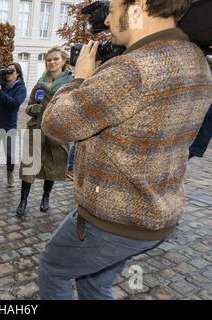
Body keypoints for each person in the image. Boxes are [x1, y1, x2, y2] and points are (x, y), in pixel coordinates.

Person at [39, 0, 212, 300]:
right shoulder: (196, 59)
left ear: (139, 5)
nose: (107, 20)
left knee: (53, 269)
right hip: (157, 213)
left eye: (113, 8)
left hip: (114, 220)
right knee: (94, 284)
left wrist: (80, 78)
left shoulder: (134, 69)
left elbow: (57, 123)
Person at [16, 46, 73, 217]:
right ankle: (23, 200)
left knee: (53, 165)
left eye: (55, 59)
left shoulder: (71, 84)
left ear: (63, 61)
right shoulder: (40, 83)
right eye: (49, 60)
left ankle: (45, 197)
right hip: (37, 129)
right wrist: (33, 108)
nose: (52, 62)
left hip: (58, 132)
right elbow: (29, 109)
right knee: (29, 166)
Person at [0, 62, 27, 189]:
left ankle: (10, 174)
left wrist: (0, 92)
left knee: (9, 154)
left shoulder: (21, 88)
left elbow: (14, 103)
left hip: (9, 125)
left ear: (17, 73)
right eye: (7, 71)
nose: (8, 74)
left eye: (11, 71)